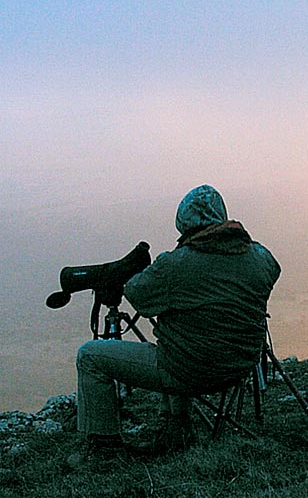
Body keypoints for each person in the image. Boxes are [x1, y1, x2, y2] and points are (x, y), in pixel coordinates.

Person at [71, 184, 280, 465]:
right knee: (182, 336)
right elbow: (273, 271)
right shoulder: (261, 257)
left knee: (90, 356)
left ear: (184, 224)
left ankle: (104, 450)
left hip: (190, 371)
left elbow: (137, 293)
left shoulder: (176, 265)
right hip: (240, 366)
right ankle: (176, 429)